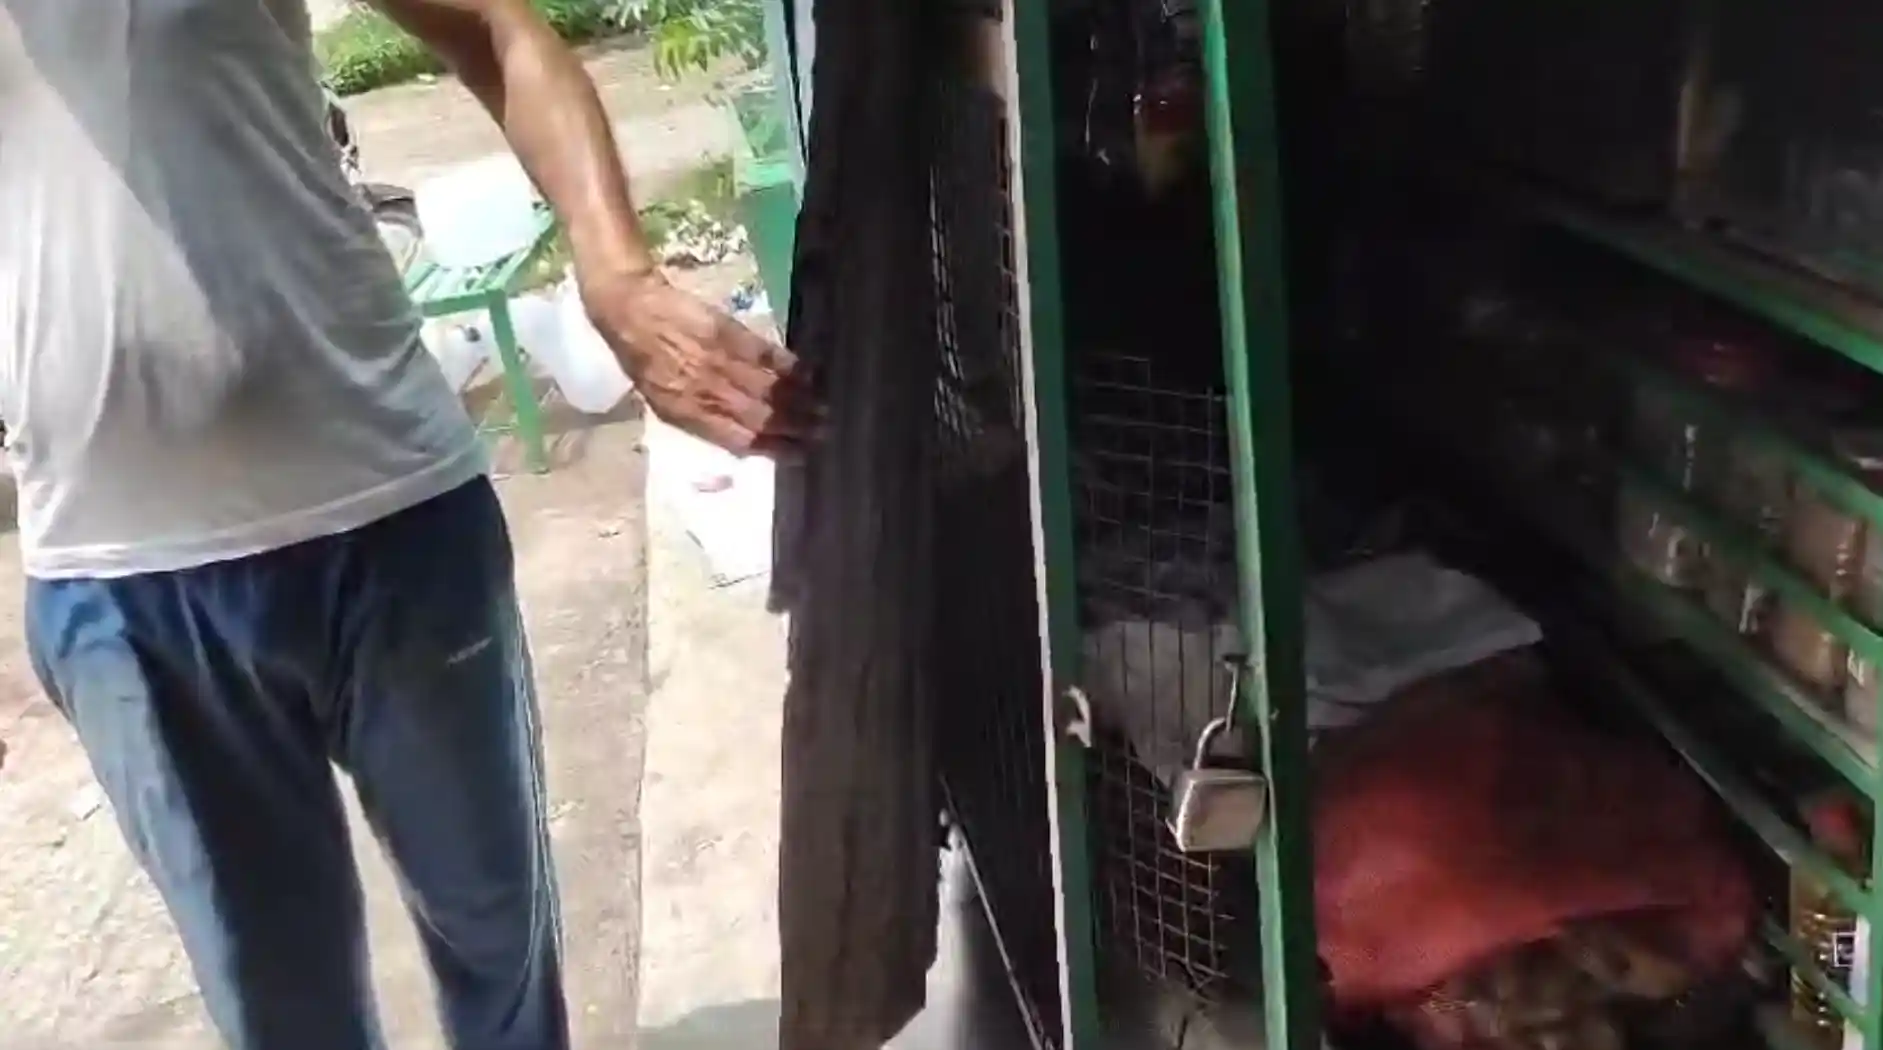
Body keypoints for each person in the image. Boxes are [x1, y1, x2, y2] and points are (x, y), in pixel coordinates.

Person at [0, 1, 816, 1047]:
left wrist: (617, 277)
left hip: (390, 516)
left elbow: (495, 29)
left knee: (498, 955)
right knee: (282, 1010)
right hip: (119, 581)